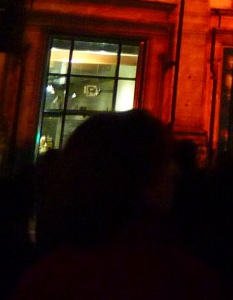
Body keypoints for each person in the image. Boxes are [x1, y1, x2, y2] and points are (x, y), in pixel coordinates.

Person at [12, 110, 222, 300]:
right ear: (141, 177)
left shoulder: (44, 278)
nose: (175, 171)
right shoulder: (182, 281)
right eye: (166, 160)